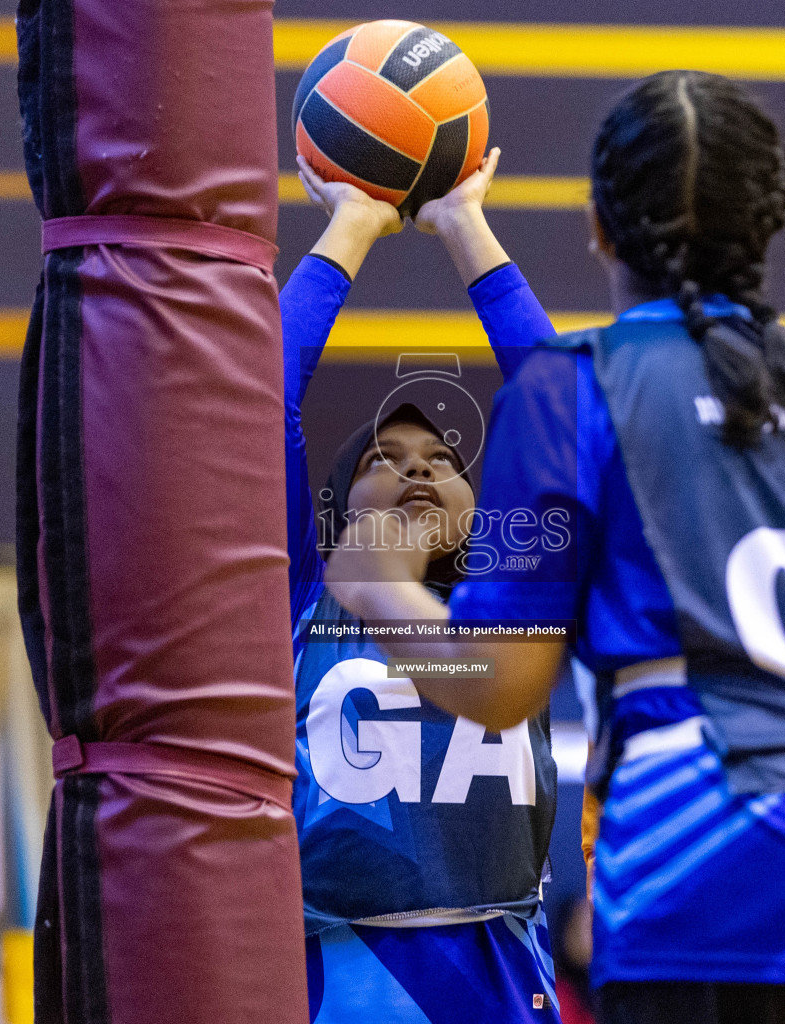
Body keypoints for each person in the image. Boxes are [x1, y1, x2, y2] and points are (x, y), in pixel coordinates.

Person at [327, 70, 785, 1023]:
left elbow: (496, 684)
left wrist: (375, 587)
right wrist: (463, 224)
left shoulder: (576, 387)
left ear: (598, 225)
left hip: (725, 831)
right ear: (767, 224)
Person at [282, 150, 563, 1023]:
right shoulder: (301, 592)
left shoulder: (518, 601)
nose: (418, 469)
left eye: (443, 460)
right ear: (336, 506)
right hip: (336, 980)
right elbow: (257, 400)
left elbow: (563, 412)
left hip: (499, 978)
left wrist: (464, 224)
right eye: (385, 459)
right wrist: (350, 227)